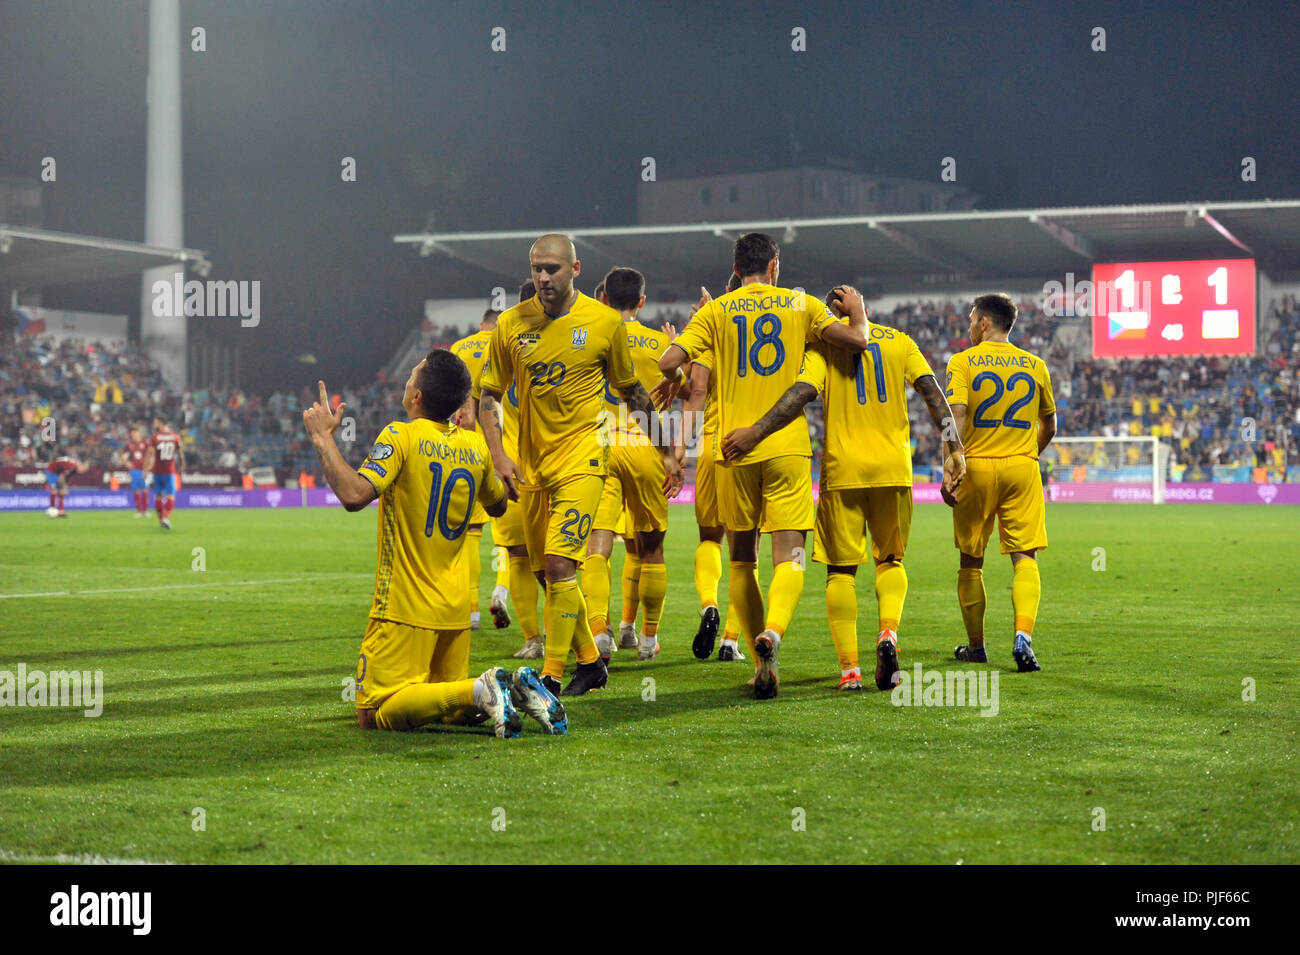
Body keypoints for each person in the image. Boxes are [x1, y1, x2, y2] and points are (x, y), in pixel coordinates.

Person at [303, 351, 566, 736]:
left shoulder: (401, 435)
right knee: (444, 705)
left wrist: (322, 437)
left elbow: (354, 494)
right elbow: (496, 504)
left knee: (374, 713)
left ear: (417, 398)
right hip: (455, 608)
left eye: (411, 376)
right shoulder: (475, 447)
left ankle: (483, 688)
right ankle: (513, 689)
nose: (407, 382)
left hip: (405, 605)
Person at [654, 232, 868, 699]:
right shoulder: (801, 304)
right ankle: (772, 631)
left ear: (735, 271)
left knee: (741, 560)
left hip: (732, 450)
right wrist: (859, 309)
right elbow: (855, 341)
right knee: (790, 556)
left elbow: (669, 360)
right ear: (774, 265)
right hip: (785, 445)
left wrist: (675, 379)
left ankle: (759, 666)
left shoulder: (715, 311)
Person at [723, 289, 966, 691]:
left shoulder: (822, 347)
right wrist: (953, 445)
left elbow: (801, 393)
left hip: (843, 471)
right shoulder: (901, 342)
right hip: (893, 468)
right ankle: (888, 634)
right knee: (890, 560)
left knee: (841, 572)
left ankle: (850, 671)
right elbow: (931, 392)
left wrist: (758, 431)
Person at [478, 234, 684, 698]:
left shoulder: (603, 322)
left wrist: (667, 449)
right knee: (544, 574)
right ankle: (590, 662)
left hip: (587, 456)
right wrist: (499, 455)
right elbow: (488, 394)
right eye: (536, 268)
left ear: (576, 269)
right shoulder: (511, 325)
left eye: (552, 268)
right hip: (532, 466)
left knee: (559, 562)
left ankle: (550, 676)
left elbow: (632, 391)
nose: (543, 277)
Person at [943, 293, 1057, 672]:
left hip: (976, 467)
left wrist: (950, 460)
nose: (970, 326)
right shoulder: (1036, 364)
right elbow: (1050, 425)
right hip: (1021, 469)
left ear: (986, 323)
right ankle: (1023, 636)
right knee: (1025, 557)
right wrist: (1028, 454)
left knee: (971, 559)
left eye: (973, 319)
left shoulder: (962, 362)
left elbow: (954, 417)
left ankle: (977, 647)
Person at [583, 267, 676, 663]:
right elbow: (689, 386)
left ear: (602, 299)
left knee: (597, 547)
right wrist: (676, 351)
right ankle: (647, 640)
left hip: (600, 443)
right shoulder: (659, 344)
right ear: (641, 301)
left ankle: (600, 631)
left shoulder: (590, 335)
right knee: (650, 548)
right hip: (645, 446)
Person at [680, 272, 745, 662]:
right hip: (750, 448)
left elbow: (696, 391)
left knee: (710, 540)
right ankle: (732, 641)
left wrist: (677, 453)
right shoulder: (777, 329)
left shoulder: (710, 329)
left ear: (725, 293)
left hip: (709, 446)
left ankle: (709, 605)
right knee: (746, 551)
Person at [451, 308, 512, 632]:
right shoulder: (509, 343)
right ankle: (501, 591)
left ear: (481, 325)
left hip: (466, 448)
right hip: (505, 449)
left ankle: (472, 611)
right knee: (509, 542)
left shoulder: (460, 348)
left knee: (471, 536)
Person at [143, 417, 184, 530]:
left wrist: (145, 469)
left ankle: (161, 520)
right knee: (171, 496)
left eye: (155, 422)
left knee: (158, 496)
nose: (154, 424)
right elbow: (180, 454)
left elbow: (149, 454)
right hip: (169, 471)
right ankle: (166, 518)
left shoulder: (155, 437)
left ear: (160, 423)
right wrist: (182, 466)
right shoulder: (175, 436)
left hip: (157, 471)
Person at [43, 449, 81, 518]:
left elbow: (66, 476)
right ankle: (52, 509)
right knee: (54, 492)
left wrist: (64, 486)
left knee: (61, 493)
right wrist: (63, 486)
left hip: (57, 473)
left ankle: (61, 512)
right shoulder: (69, 465)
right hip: (51, 473)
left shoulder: (72, 466)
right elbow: (63, 476)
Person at [122, 426, 150, 517]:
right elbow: (122, 453)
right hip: (134, 470)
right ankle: (139, 511)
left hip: (144, 470)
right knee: (136, 490)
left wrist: (149, 465)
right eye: (132, 435)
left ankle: (145, 511)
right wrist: (126, 463)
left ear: (139, 434)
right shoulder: (129, 444)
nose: (134, 436)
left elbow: (151, 454)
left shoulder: (145, 443)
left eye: (135, 434)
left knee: (145, 489)